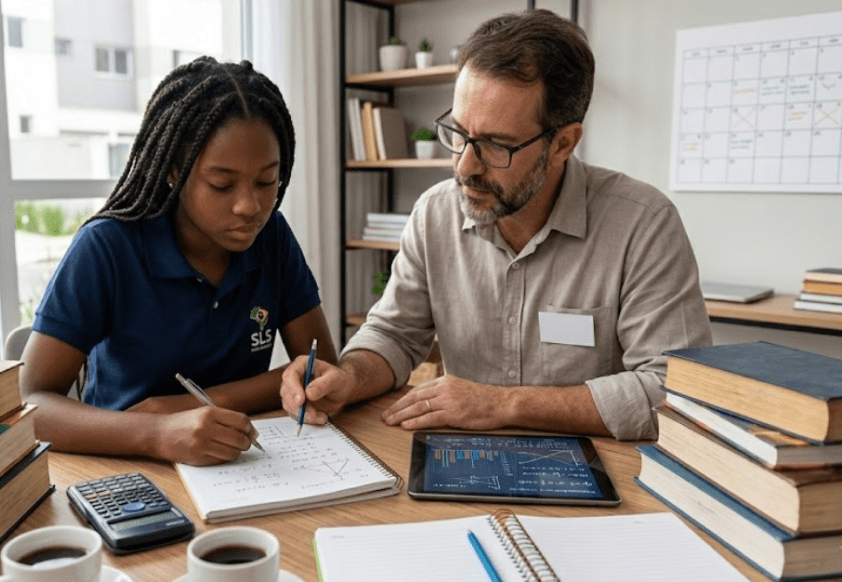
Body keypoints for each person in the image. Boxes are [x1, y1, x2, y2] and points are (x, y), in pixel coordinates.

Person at [282, 10, 711, 441]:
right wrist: (350, 378)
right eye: (459, 132)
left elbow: (674, 393)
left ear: (563, 143)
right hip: (467, 462)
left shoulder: (643, 224)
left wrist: (501, 404)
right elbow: (393, 334)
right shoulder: (435, 215)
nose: (465, 165)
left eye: (495, 145)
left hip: (603, 475)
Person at [22, 57, 336, 465]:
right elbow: (28, 403)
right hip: (121, 468)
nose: (250, 206)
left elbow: (320, 368)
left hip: (240, 465)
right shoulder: (107, 247)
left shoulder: (271, 236)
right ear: (174, 170)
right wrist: (154, 432)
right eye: (222, 184)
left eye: (266, 181)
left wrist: (188, 405)